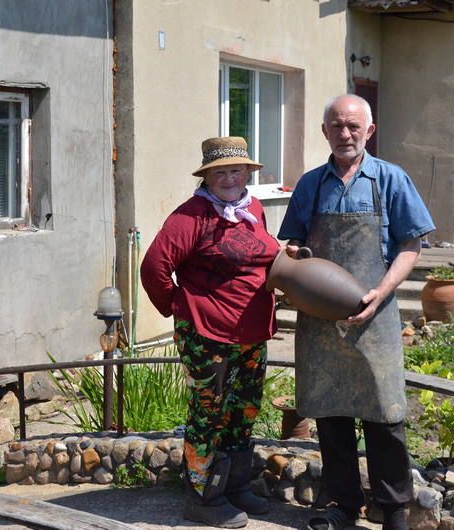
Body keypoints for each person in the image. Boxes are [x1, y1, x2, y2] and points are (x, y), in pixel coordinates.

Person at [278, 94, 436, 530]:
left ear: (370, 131)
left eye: (353, 126)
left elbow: (411, 246)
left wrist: (380, 291)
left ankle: (394, 510)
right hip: (320, 319)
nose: (344, 134)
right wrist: (293, 252)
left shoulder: (390, 179)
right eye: (336, 125)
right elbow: (291, 244)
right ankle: (342, 506)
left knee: (384, 416)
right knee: (330, 415)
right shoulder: (310, 184)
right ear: (325, 131)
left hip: (376, 316)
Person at [141, 137, 280, 528]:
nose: (230, 178)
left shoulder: (252, 208)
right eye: (221, 172)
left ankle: (234, 488)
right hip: (207, 334)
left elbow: (261, 258)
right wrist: (181, 307)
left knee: (243, 411)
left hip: (252, 332)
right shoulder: (192, 216)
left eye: (237, 170)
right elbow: (153, 268)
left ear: (249, 173)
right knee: (208, 413)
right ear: (207, 177)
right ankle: (203, 497)